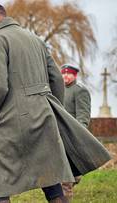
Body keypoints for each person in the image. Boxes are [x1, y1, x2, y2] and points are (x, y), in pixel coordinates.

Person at [0, 2, 111, 203]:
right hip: (43, 116)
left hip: (10, 121)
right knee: (51, 175)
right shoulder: (35, 39)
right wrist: (50, 107)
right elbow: (56, 78)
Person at [60, 64, 91, 200]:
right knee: (65, 175)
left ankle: (74, 176)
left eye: (69, 74)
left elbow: (83, 117)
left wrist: (78, 136)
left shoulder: (80, 91)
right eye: (63, 73)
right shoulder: (59, 89)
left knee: (65, 179)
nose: (65, 76)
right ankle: (75, 175)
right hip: (59, 137)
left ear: (75, 75)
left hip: (72, 138)